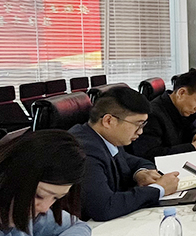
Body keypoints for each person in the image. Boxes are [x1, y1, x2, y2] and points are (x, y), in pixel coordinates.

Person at [69, 88, 181, 221]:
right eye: (137, 125)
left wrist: (140, 173)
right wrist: (158, 189)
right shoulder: (83, 150)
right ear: (108, 121)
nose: (140, 132)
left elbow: (135, 161)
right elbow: (104, 207)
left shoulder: (104, 138)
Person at [132, 69, 196, 161]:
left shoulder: (183, 109)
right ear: (181, 93)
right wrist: (192, 147)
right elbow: (150, 155)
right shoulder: (153, 115)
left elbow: (193, 127)